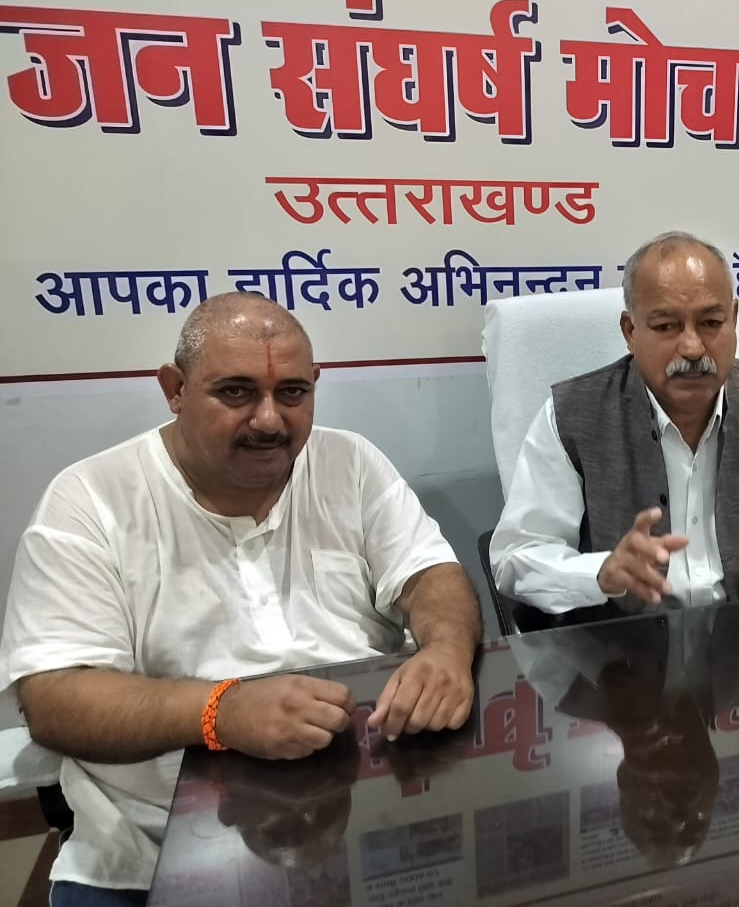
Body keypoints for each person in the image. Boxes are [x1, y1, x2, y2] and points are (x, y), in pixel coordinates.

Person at [0, 293, 481, 906]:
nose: (269, 421)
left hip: (360, 820)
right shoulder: (89, 500)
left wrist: (445, 650)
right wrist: (219, 711)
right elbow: (53, 697)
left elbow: (431, 574)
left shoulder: (350, 462)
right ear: (175, 389)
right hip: (157, 846)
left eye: (292, 393)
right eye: (236, 392)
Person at [490, 230, 739, 669]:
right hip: (619, 670)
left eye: (711, 323)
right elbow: (516, 557)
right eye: (666, 326)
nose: (693, 347)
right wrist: (599, 573)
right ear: (630, 331)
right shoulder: (571, 414)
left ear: (733, 319)